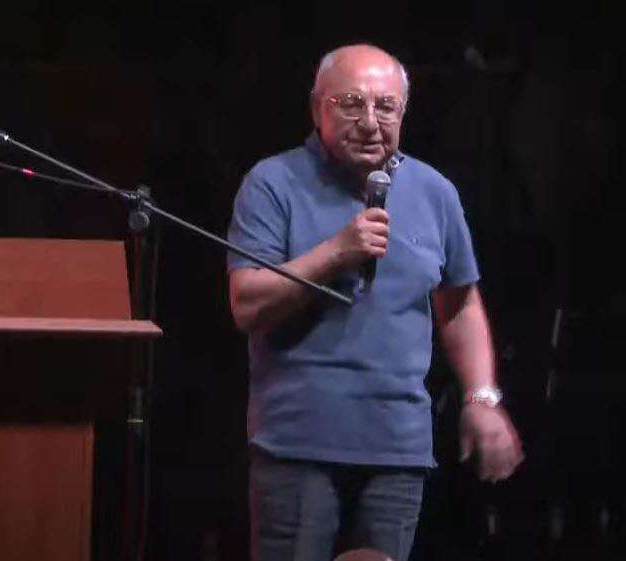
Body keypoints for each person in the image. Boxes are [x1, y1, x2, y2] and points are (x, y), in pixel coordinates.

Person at [227, 44, 524, 561]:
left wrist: (481, 397)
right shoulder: (273, 182)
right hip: (299, 446)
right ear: (317, 108)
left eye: (386, 107)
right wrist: (336, 253)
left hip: (397, 450)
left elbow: (459, 304)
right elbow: (247, 305)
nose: (369, 122)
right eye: (350, 103)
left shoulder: (434, 191)